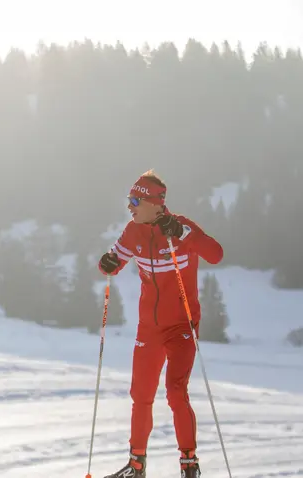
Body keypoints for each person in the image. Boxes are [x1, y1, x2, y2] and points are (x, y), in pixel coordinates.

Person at [97, 170, 223, 478]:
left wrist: (182, 234)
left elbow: (216, 255)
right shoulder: (133, 231)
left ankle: (189, 464)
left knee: (175, 392)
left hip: (181, 325)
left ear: (156, 204)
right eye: (129, 200)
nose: (130, 206)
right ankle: (136, 466)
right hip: (149, 328)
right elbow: (111, 261)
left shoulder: (181, 228)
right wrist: (107, 263)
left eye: (135, 200)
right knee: (140, 394)